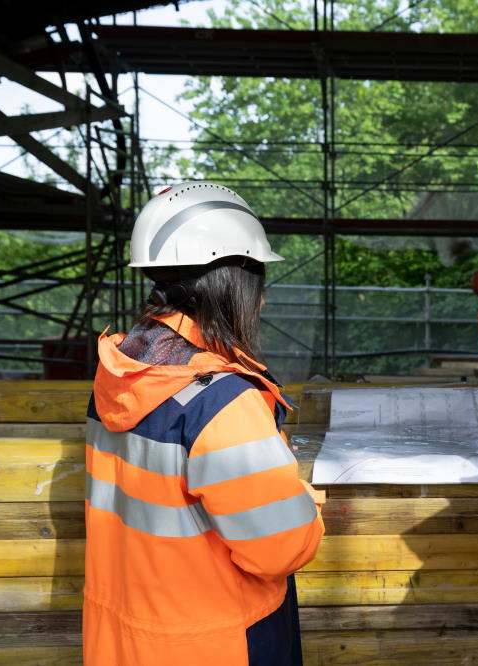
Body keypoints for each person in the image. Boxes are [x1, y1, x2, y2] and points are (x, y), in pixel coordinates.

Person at [84, 182, 325, 665]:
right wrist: (307, 505)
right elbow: (277, 548)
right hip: (216, 642)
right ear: (233, 282)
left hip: (123, 640)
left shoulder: (122, 374)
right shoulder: (221, 400)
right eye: (258, 283)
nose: (262, 301)